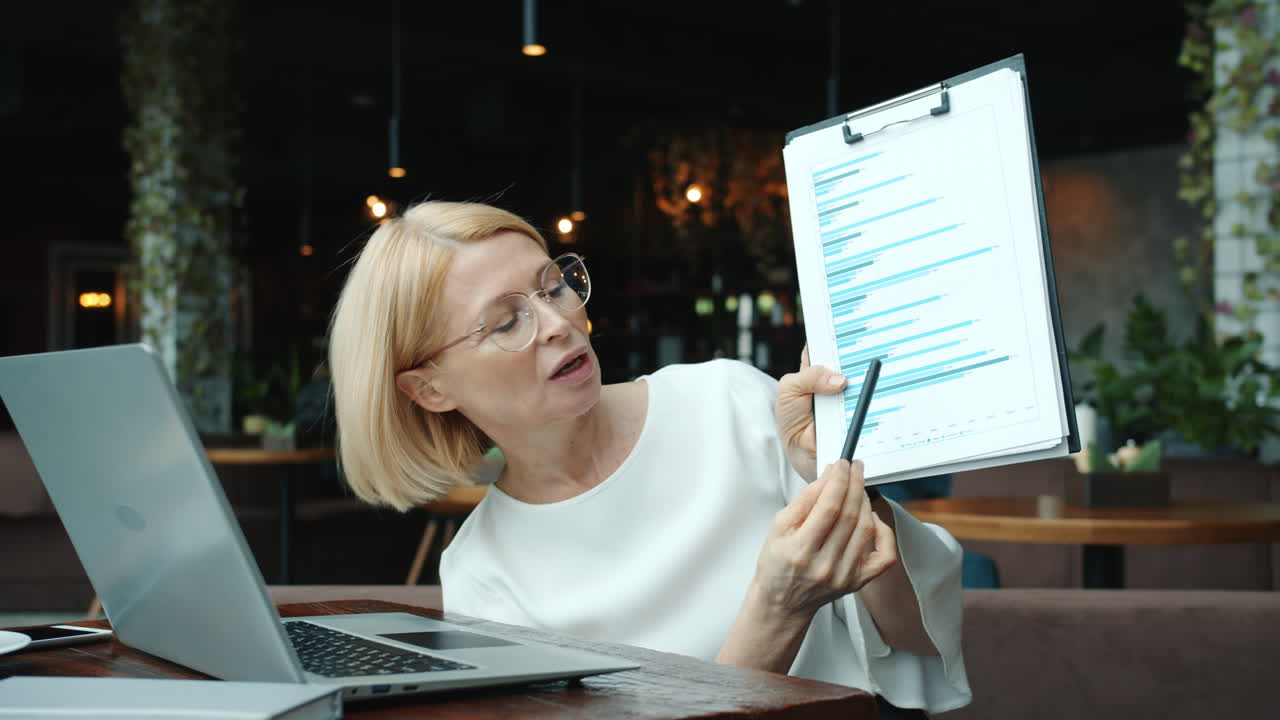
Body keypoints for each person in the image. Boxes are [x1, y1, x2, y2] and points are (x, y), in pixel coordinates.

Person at [328, 200, 971, 716]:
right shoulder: (483, 576)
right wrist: (777, 610)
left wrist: (843, 477)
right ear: (429, 388)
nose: (557, 323)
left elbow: (920, 641)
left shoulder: (731, 402)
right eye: (505, 323)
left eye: (553, 286)